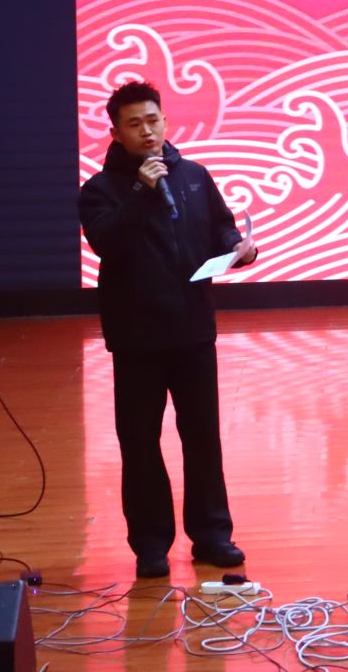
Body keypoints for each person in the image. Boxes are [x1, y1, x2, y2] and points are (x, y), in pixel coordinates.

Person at [79, 80, 259, 580]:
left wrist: (239, 248)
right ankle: (151, 544)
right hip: (136, 337)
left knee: (202, 437)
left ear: (165, 121)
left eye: (153, 120)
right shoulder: (99, 190)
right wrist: (141, 190)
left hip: (193, 330)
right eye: (134, 124)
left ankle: (212, 535)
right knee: (140, 442)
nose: (147, 131)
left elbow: (220, 226)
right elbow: (107, 242)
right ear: (116, 133)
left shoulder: (195, 175)